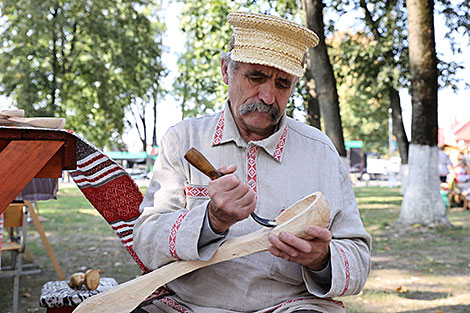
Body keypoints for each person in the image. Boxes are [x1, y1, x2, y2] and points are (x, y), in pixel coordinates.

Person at [133, 11, 371, 313]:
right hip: (189, 306)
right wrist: (211, 221)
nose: (269, 97)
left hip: (290, 306)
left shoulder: (320, 152)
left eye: (283, 83)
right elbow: (145, 240)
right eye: (255, 76)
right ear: (226, 71)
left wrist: (322, 259)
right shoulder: (184, 139)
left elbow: (358, 260)